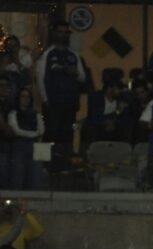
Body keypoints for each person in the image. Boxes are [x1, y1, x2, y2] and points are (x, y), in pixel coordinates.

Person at [35, 20, 87, 168]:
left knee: (66, 137)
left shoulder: (73, 55)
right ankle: (45, 167)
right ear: (54, 33)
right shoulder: (48, 54)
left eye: (66, 32)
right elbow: (40, 78)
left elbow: (83, 77)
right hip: (53, 102)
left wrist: (73, 72)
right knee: (51, 134)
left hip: (69, 103)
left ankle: (64, 166)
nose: (63, 35)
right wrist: (45, 99)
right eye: (60, 32)